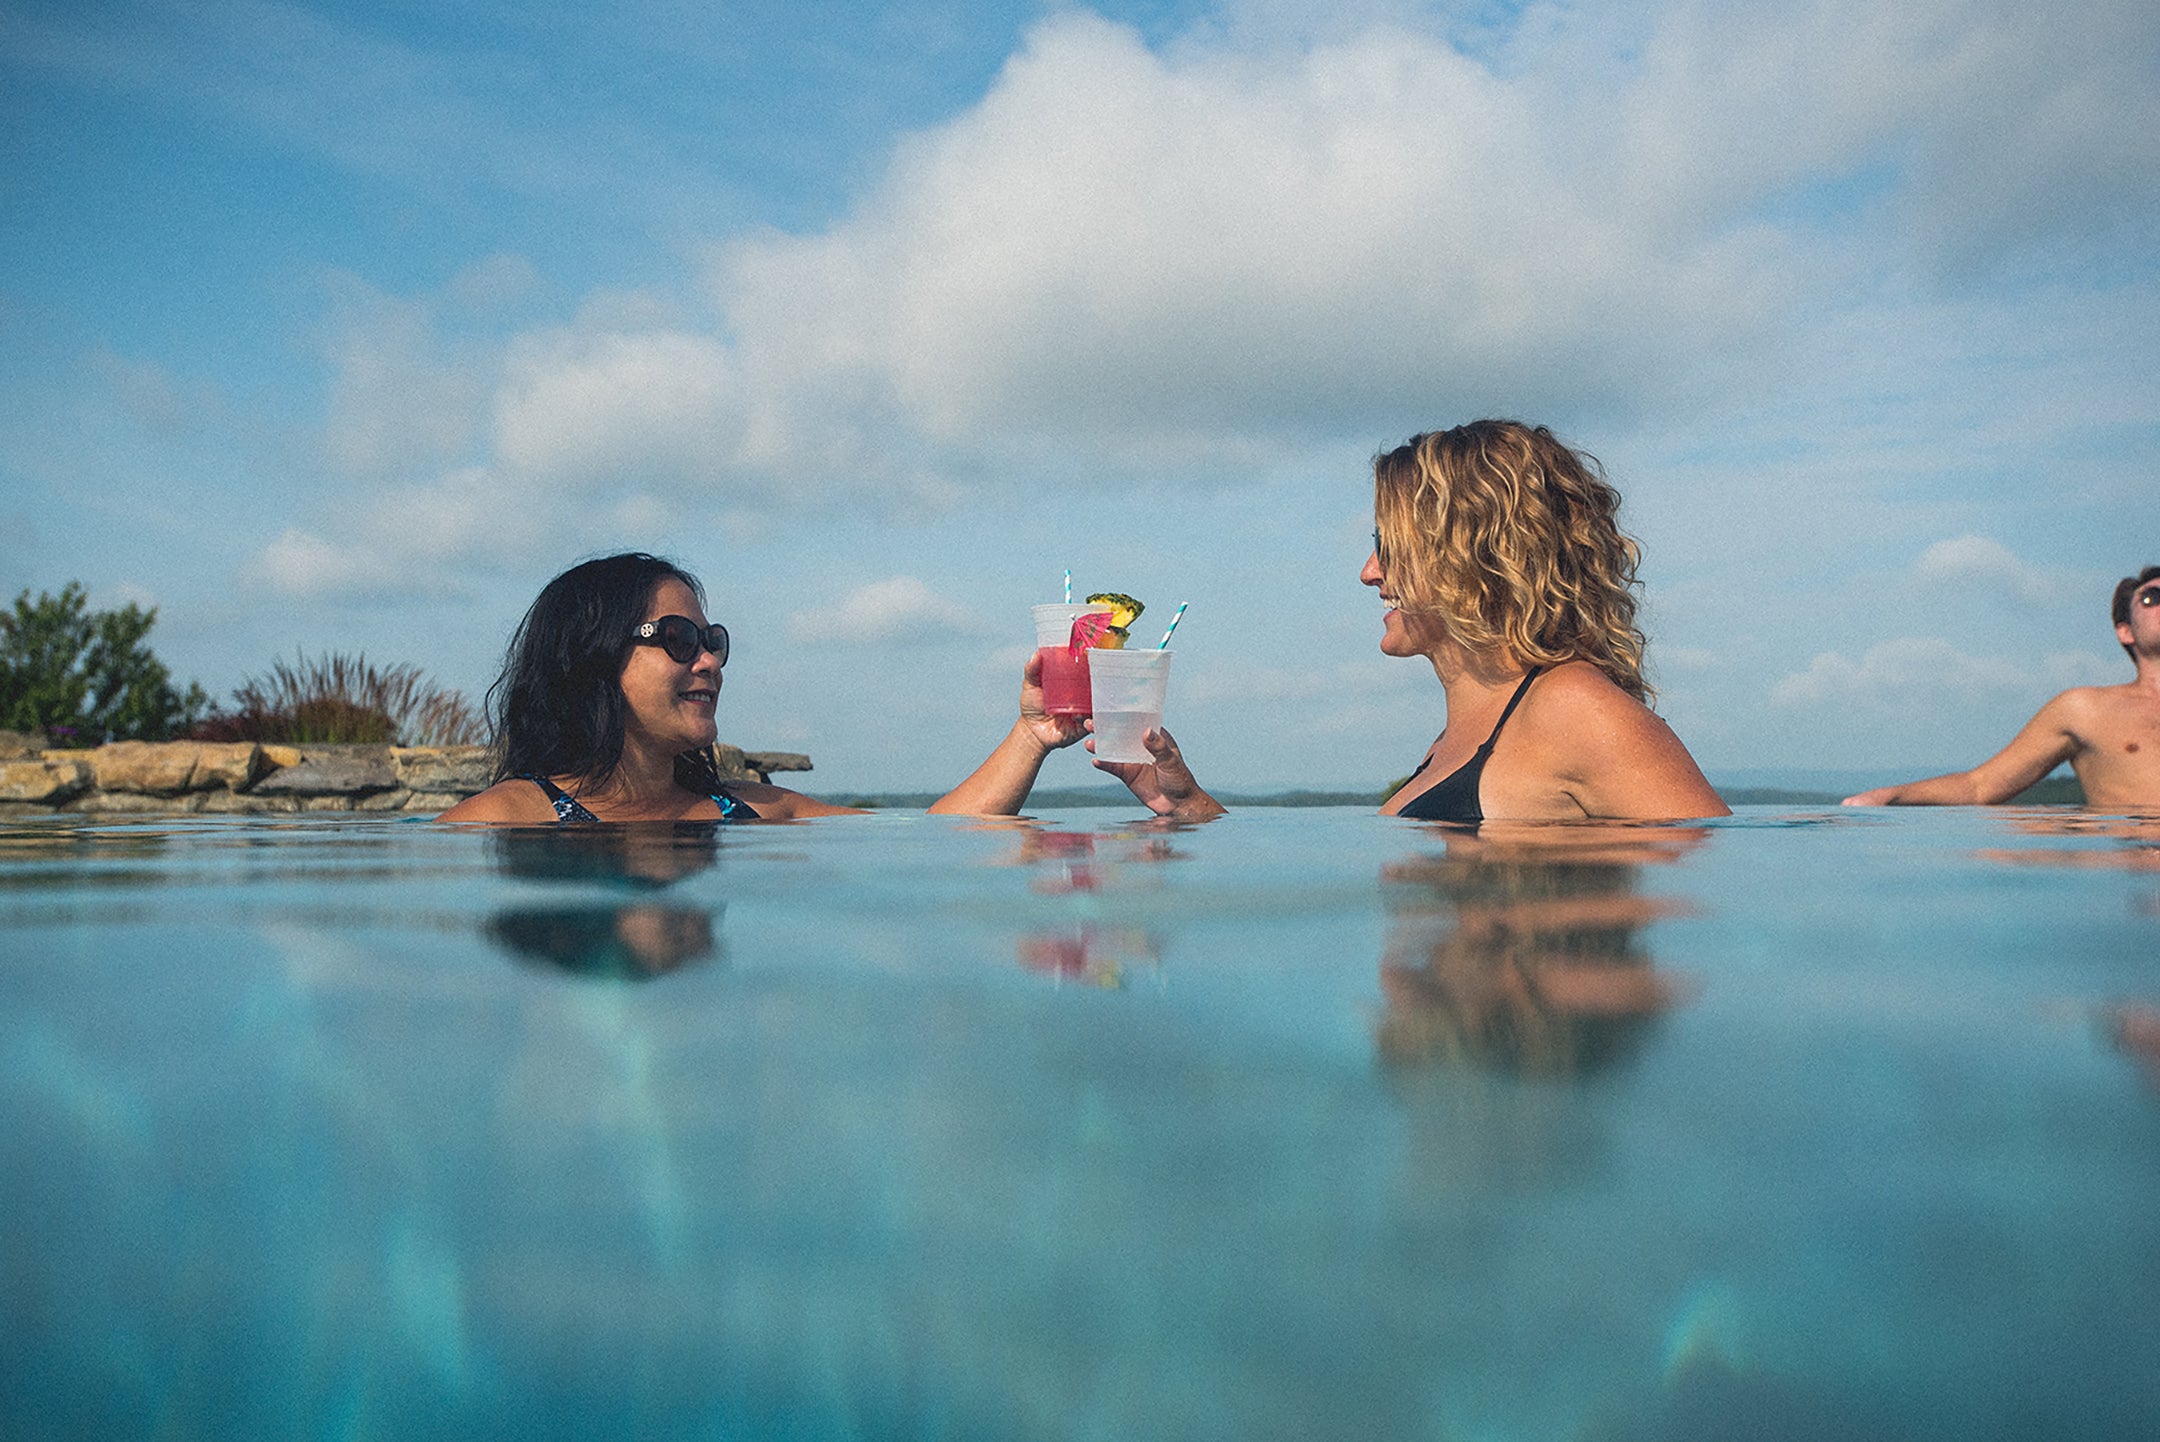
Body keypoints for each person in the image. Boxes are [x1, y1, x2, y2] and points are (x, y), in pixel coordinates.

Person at [1104, 420, 1727, 822]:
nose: (1369, 572)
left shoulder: (1575, 708)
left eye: (1391, 544)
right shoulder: (1464, 735)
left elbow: (1709, 910)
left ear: (1476, 556)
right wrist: (1191, 807)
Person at [439, 553, 859, 822]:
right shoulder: (507, 817)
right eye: (678, 639)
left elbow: (912, 830)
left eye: (712, 641)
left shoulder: (764, 811)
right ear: (594, 656)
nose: (710, 661)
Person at [1843, 565, 2160, 808]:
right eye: (2152, 597)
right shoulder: (2084, 710)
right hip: (2139, 876)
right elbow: (1979, 786)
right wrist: (1889, 796)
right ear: (2125, 631)